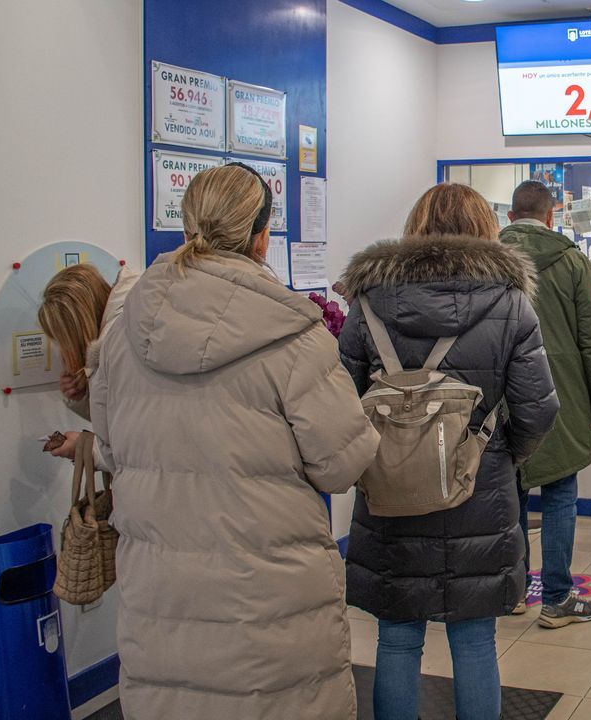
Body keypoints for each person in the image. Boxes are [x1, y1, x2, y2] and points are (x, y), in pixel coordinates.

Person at [89, 163, 379, 719]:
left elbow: (110, 448)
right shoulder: (293, 336)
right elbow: (341, 465)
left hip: (162, 596)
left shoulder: (124, 333)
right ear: (261, 236)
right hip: (267, 599)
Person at [339, 183, 559, 720]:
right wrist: (499, 454)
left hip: (390, 492)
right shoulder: (509, 303)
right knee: (474, 641)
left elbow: (339, 403)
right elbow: (538, 408)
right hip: (479, 491)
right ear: (486, 228)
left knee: (395, 639)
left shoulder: (368, 303)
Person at [500, 180, 591, 628]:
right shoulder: (572, 261)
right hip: (560, 396)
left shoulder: (487, 259)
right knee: (560, 495)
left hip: (502, 399)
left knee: (509, 496)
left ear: (510, 218)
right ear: (552, 217)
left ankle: (511, 593)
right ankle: (557, 598)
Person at [37, 261, 139, 458]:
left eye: (63, 341)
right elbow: (115, 420)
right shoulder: (124, 327)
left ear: (77, 333)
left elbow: (133, 448)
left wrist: (85, 448)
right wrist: (84, 396)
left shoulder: (121, 349)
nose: (64, 351)